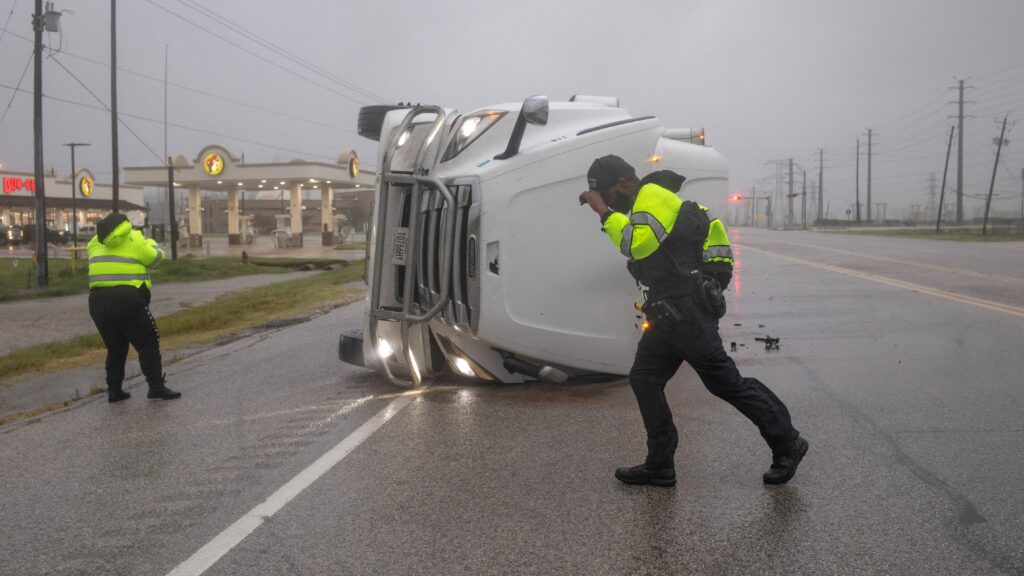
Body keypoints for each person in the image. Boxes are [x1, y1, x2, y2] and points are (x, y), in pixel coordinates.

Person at [578, 155, 806, 487]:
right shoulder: (650, 201)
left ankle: (788, 442)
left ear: (624, 184)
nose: (606, 202)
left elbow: (636, 246)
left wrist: (604, 213)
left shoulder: (651, 197)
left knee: (726, 383)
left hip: (687, 313)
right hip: (668, 313)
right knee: (644, 378)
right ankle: (660, 464)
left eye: (607, 194)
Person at [87, 213, 181, 402]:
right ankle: (155, 387)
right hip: (127, 300)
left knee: (115, 347)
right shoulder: (135, 239)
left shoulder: (94, 243)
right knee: (148, 342)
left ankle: (114, 391)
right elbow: (156, 259)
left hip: (97, 301)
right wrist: (152, 243)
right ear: (125, 225)